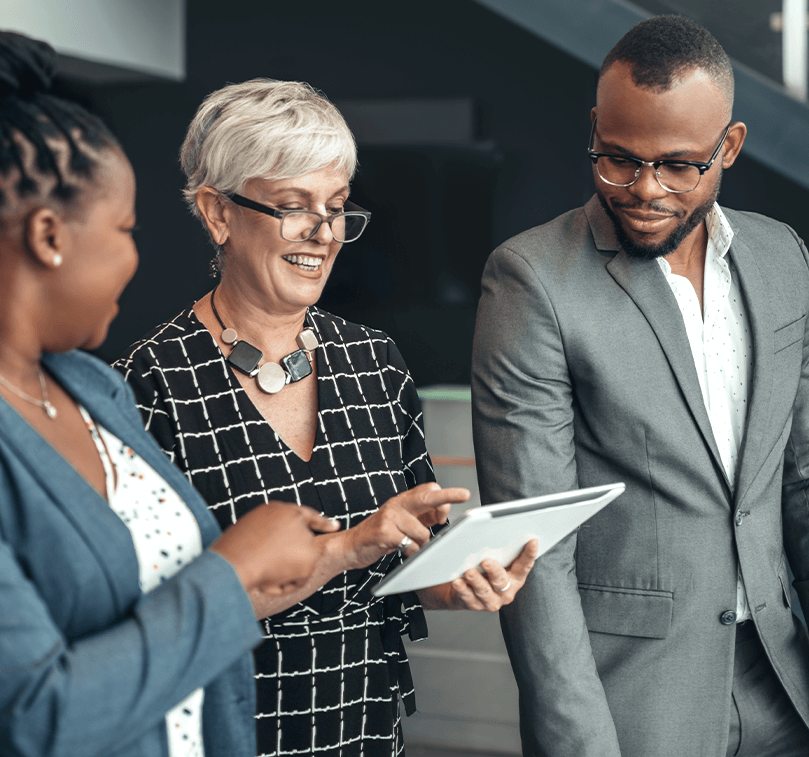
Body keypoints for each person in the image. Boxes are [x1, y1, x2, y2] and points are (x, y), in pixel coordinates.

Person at [0, 31, 336, 757]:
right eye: (124, 229)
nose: (134, 256)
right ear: (49, 235)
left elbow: (168, 612)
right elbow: (36, 717)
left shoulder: (90, 387)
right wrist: (234, 567)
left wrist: (323, 556)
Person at [471, 16, 809, 757]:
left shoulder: (781, 258)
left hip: (788, 686)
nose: (643, 190)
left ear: (727, 147)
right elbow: (536, 549)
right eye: (617, 160)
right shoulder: (532, 279)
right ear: (596, 127)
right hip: (632, 704)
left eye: (677, 166)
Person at [116, 79, 539, 757]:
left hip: (364, 729)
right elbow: (148, 615)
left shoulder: (375, 362)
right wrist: (343, 550)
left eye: (337, 208)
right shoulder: (149, 382)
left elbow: (398, 568)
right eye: (292, 207)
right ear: (217, 213)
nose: (323, 232)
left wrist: (451, 579)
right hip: (222, 733)